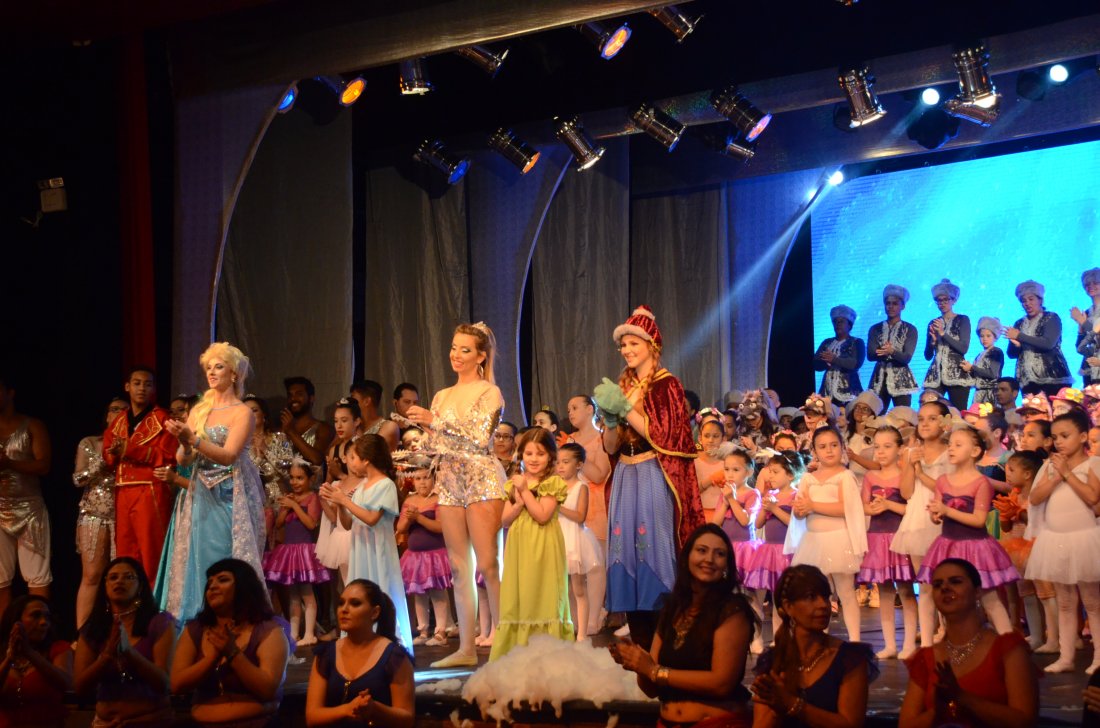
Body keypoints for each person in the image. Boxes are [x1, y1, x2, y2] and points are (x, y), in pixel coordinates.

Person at [595, 305, 704, 650]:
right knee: (623, 547)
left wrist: (625, 409)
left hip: (653, 473)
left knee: (653, 544)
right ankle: (638, 632)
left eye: (634, 344)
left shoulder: (666, 384)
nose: (626, 350)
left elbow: (663, 436)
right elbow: (610, 447)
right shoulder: (625, 384)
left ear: (652, 345)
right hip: (625, 474)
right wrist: (610, 421)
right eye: (623, 345)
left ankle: (664, 635)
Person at [403, 322, 508, 668]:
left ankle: (503, 641)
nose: (456, 355)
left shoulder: (489, 392)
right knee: (460, 568)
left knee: (488, 564)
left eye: (465, 349)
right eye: (453, 347)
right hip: (449, 480)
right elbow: (439, 442)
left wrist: (433, 420)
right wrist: (421, 438)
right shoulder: (442, 395)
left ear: (481, 356)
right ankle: (465, 647)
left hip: (481, 478)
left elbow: (479, 438)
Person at [157, 342, 267, 622]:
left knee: (224, 554)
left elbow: (229, 456)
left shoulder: (242, 412)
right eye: (209, 367)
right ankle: (197, 617)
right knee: (197, 554)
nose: (212, 372)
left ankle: (232, 617)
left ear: (234, 373)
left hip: (229, 492)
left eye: (219, 366)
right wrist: (184, 442)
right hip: (201, 494)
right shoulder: (200, 410)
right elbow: (183, 460)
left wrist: (193, 440)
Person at [611, 524, 756, 728]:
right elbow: (651, 689)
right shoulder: (672, 607)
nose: (709, 559)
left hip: (716, 723)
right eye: (702, 550)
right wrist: (638, 663)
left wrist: (655, 671)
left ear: (726, 565)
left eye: (719, 554)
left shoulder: (732, 610)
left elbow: (721, 683)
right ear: (687, 557)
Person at [899, 558, 1038, 728]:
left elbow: (1024, 721)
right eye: (937, 584)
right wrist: (939, 711)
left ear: (978, 592)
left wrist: (962, 698)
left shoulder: (1008, 649)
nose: (945, 588)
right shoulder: (926, 658)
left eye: (955, 581)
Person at [914, 424, 1019, 636]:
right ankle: (927, 644)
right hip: (947, 544)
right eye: (950, 445)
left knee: (989, 598)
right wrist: (936, 514)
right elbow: (938, 517)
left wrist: (946, 510)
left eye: (958, 445)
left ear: (975, 451)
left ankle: (1008, 643)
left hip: (975, 547)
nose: (951, 449)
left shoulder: (981, 482)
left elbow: (979, 520)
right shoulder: (943, 481)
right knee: (930, 592)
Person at [752, 565, 878, 728]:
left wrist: (792, 704)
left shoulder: (849, 658)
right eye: (811, 597)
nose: (823, 604)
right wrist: (776, 709)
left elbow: (851, 724)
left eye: (825, 596)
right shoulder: (773, 661)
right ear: (788, 606)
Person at [170, 558, 291, 727]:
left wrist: (232, 653)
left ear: (244, 586)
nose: (212, 586)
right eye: (209, 583)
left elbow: (267, 689)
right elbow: (176, 684)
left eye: (223, 580)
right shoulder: (195, 629)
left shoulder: (268, 630)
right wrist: (213, 657)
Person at [321, 434, 414, 652]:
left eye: (353, 457)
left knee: (381, 589)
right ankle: (360, 645)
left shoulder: (385, 485)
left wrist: (345, 500)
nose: (350, 462)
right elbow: (347, 523)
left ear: (366, 459)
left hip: (377, 550)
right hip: (360, 550)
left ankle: (389, 645)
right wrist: (339, 503)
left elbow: (372, 518)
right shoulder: (362, 486)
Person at [1024, 409, 1100, 673]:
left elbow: (1092, 498)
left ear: (1082, 436)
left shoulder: (1093, 464)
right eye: (1055, 437)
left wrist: (1068, 473)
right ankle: (1066, 657)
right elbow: (1035, 498)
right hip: (1056, 539)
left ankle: (1098, 658)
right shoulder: (1050, 466)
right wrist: (1057, 475)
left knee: (1092, 601)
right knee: (1065, 601)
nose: (1059, 442)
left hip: (1084, 539)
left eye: (1065, 436)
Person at [490, 427, 573, 659]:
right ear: (521, 455)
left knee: (543, 597)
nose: (534, 459)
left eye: (540, 454)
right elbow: (505, 520)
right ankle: (518, 653)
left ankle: (550, 657)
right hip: (520, 547)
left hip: (543, 546)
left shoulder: (552, 483)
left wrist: (525, 492)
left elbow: (542, 515)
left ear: (550, 456)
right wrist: (517, 504)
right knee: (520, 597)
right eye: (529, 453)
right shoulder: (514, 483)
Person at [785, 426, 868, 642]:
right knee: (818, 593)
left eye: (834, 445)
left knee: (846, 592)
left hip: (838, 538)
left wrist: (812, 505)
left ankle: (855, 640)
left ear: (842, 447)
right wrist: (800, 509)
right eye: (822, 447)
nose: (829, 450)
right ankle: (819, 638)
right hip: (813, 540)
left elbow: (846, 508)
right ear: (814, 451)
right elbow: (800, 511)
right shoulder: (808, 478)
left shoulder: (845, 476)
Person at [72, 556, 177, 726]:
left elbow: (164, 683)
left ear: (140, 586)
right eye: (113, 577)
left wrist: (129, 652)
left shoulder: (159, 622)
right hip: (105, 723)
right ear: (105, 586)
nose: (119, 581)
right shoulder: (93, 627)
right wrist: (107, 656)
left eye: (128, 577)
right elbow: (80, 687)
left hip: (150, 721)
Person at [102, 366, 177, 585]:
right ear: (127, 387)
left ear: (153, 389)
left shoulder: (162, 419)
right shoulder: (120, 420)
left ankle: (153, 602)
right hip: (123, 490)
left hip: (149, 489)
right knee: (125, 551)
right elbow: (107, 451)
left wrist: (129, 450)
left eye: (147, 384)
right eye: (137, 383)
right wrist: (113, 452)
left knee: (151, 551)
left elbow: (168, 455)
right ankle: (128, 598)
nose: (142, 388)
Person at [305, 580, 415, 728]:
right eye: (341, 603)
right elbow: (312, 716)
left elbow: (407, 718)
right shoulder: (325, 654)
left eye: (355, 603)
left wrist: (375, 709)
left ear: (375, 612)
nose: (344, 609)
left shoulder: (394, 656)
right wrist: (347, 709)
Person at [892, 400, 951, 647]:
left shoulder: (951, 452)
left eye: (932, 418)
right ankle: (927, 640)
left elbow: (948, 490)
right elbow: (906, 492)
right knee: (925, 583)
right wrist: (911, 464)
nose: (925, 424)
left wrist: (920, 472)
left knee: (947, 580)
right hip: (917, 518)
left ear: (945, 422)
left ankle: (948, 631)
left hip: (942, 519)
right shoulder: (911, 452)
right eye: (922, 419)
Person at [859, 425, 918, 659]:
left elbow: (911, 508)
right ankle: (890, 644)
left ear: (899, 448)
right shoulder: (870, 476)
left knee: (905, 590)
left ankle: (909, 643)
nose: (881, 452)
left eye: (887, 446)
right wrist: (872, 508)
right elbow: (863, 505)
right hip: (876, 537)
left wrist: (888, 505)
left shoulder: (905, 474)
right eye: (877, 447)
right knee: (884, 591)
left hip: (899, 538)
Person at [0, 372, 53, 614]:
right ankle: (4, 633)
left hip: (30, 509)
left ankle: (41, 627)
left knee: (37, 577)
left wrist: (9, 463)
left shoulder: (32, 425)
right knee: (1, 580)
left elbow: (44, 465)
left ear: (10, 393)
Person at [73, 397, 128, 629]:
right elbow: (78, 479)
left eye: (124, 410)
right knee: (92, 575)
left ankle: (120, 632)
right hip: (94, 515)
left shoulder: (133, 445)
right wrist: (101, 464)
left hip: (124, 516)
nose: (119, 413)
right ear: (106, 415)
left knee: (121, 576)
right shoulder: (90, 442)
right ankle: (83, 633)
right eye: (114, 409)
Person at [263, 459, 329, 647]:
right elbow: (279, 524)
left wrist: (295, 506)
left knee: (307, 593)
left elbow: (311, 523)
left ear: (310, 479)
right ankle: (294, 634)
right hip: (289, 551)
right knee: (293, 595)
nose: (295, 482)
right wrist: (286, 508)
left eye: (300, 478)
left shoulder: (313, 497)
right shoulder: (290, 498)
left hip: (304, 550)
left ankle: (310, 633)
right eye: (292, 478)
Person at [743, 451, 803, 643]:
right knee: (759, 595)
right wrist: (765, 508)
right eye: (769, 472)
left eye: (775, 472)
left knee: (783, 599)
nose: (770, 476)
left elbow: (795, 524)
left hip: (786, 552)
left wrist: (775, 509)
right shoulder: (770, 494)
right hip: (768, 551)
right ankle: (760, 638)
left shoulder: (796, 495)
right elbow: (758, 523)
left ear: (790, 475)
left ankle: (784, 639)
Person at [566, 394, 611, 633]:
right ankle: (576, 618)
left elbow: (599, 474)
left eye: (575, 407)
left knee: (595, 565)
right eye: (569, 409)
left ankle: (594, 617)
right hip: (571, 503)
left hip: (596, 505)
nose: (570, 413)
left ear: (590, 409)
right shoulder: (568, 439)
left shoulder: (602, 438)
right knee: (573, 566)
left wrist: (577, 454)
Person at [397, 467, 453, 646]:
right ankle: (423, 630)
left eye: (426, 478)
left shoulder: (438, 499)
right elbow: (400, 528)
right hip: (415, 556)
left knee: (437, 592)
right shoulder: (410, 500)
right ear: (412, 481)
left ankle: (441, 630)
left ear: (434, 479)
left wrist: (419, 518)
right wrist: (408, 518)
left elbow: (440, 527)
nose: (422, 482)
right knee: (418, 592)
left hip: (434, 555)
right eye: (418, 478)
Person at [556, 443, 604, 641]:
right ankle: (565, 627)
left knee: (578, 588)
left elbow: (580, 516)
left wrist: (557, 506)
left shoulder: (581, 486)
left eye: (565, 462)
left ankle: (582, 633)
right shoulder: (554, 485)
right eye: (558, 462)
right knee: (559, 589)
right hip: (557, 537)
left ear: (578, 464)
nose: (560, 466)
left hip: (573, 538)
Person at [0, 595, 72, 728]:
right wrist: (9, 658)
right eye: (36, 615)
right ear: (16, 621)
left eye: (47, 617)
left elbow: (65, 683)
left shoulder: (58, 648)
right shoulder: (2, 653)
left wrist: (29, 652)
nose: (44, 622)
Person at [1005, 280, 1073, 396]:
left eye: (1031, 299)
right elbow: (1011, 354)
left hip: (1052, 377)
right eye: (1023, 301)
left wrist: (1019, 336)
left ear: (1040, 300)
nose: (1027, 303)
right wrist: (1017, 345)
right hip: (1027, 380)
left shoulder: (1050, 318)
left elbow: (1048, 343)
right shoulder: (1019, 323)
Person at [922, 279, 972, 410]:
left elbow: (963, 348)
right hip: (935, 373)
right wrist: (933, 342)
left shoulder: (962, 319)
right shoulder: (933, 322)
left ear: (953, 300)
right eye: (939, 300)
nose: (942, 303)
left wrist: (943, 334)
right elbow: (927, 356)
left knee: (958, 411)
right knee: (930, 408)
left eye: (945, 300)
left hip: (957, 372)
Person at [867, 284, 920, 408]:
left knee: (902, 415)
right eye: (888, 303)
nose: (890, 306)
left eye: (895, 303)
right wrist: (888, 352)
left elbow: (906, 357)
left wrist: (891, 351)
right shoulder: (875, 328)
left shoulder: (910, 329)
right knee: (876, 414)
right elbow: (870, 355)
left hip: (902, 380)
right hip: (879, 379)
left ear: (903, 306)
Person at [243, 394, 294, 520]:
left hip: (279, 498)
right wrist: (259, 459)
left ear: (264, 414)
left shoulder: (280, 438)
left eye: (254, 410)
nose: (250, 415)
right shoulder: (241, 444)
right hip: (252, 500)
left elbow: (288, 472)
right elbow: (245, 476)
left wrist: (266, 450)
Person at [814, 304, 866, 405]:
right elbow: (815, 364)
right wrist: (826, 363)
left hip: (849, 390)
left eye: (841, 321)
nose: (837, 324)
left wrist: (834, 360)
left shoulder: (856, 342)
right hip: (827, 390)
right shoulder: (827, 342)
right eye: (835, 322)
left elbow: (855, 364)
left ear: (849, 325)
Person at [282, 376, 334, 466]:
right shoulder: (283, 428)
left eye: (299, 394)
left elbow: (317, 460)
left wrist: (291, 432)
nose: (293, 399)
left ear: (311, 398)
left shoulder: (323, 428)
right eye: (290, 395)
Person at [962, 317, 1006, 406]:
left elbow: (992, 374)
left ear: (995, 337)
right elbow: (978, 374)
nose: (984, 339)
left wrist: (972, 367)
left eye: (988, 336)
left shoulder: (996, 351)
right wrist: (969, 370)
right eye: (982, 336)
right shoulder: (979, 355)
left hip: (990, 393)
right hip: (979, 393)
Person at [350, 380, 400, 451]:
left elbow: (369, 452)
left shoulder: (389, 426)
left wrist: (356, 430)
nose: (350, 403)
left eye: (353, 398)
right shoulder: (352, 425)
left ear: (367, 401)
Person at [1072, 267, 1100, 386]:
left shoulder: (1083, 317)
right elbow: (1080, 348)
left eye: (1095, 283)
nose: (1091, 286)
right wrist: (1080, 330)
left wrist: (1083, 322)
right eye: (1087, 284)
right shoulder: (1087, 313)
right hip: (1089, 369)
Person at [325, 398, 364, 483]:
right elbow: (328, 483)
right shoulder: (334, 450)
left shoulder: (362, 448)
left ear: (357, 421)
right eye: (336, 421)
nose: (339, 426)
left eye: (344, 420)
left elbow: (363, 484)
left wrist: (340, 474)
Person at [696, 418, 727, 521]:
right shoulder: (694, 461)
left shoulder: (728, 462)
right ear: (700, 438)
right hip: (698, 513)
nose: (710, 440)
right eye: (706, 436)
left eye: (716, 436)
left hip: (722, 514)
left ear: (723, 439)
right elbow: (690, 491)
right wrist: (711, 479)